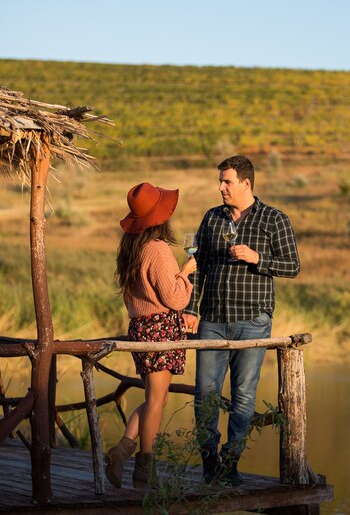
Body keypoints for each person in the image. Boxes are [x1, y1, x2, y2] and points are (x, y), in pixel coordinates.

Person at [183, 155, 300, 486]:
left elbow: (293, 266)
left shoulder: (274, 219)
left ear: (246, 184)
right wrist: (192, 310)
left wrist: (257, 258)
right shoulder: (213, 218)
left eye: (227, 181)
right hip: (213, 320)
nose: (220, 187)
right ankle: (209, 462)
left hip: (253, 321)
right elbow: (199, 264)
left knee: (244, 396)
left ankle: (230, 464)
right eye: (220, 181)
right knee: (204, 393)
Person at [105, 182, 196, 489]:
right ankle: (145, 467)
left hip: (141, 328)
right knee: (157, 400)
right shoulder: (157, 249)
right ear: (161, 217)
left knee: (151, 399)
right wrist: (186, 272)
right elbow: (175, 298)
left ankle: (122, 450)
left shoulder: (132, 247)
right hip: (160, 330)